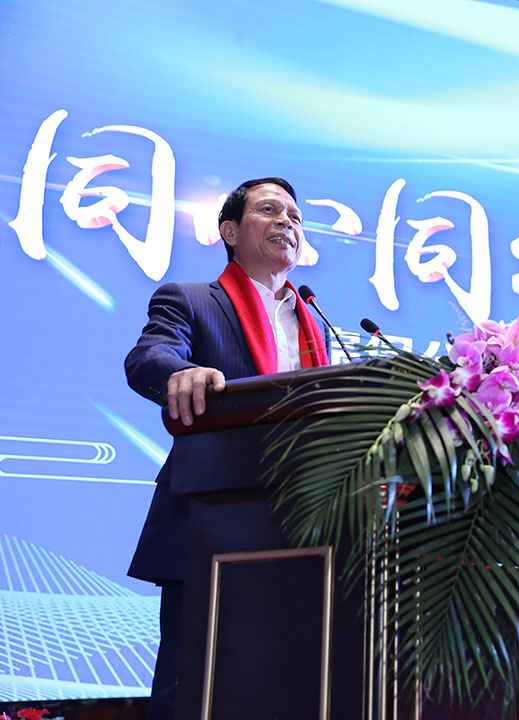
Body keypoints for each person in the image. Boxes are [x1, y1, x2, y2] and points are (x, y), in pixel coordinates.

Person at [125, 177, 329, 719]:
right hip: (211, 520)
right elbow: (149, 357)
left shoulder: (314, 320)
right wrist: (182, 372)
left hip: (304, 529)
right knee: (192, 687)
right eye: (270, 210)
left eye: (295, 215)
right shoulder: (191, 299)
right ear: (230, 232)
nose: (287, 221)